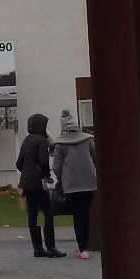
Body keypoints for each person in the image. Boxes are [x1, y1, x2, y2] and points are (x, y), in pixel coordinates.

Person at [49, 108, 99, 259]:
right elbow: (95, 158)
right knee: (86, 213)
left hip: (71, 184)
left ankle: (82, 247)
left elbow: (57, 166)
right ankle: (87, 245)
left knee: (77, 214)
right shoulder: (88, 140)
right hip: (89, 181)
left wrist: (61, 179)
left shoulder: (60, 145)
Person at [16, 113, 64, 259]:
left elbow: (19, 163)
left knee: (32, 214)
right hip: (38, 182)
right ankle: (51, 247)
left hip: (26, 182)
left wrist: (26, 173)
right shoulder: (41, 141)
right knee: (48, 212)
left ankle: (37, 248)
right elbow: (43, 161)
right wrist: (46, 176)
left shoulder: (27, 140)